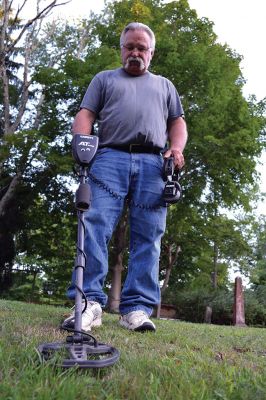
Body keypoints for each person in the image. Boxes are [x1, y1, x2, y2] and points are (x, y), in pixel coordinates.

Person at [64, 22, 187, 332]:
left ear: (151, 53)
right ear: (121, 50)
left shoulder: (164, 86)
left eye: (141, 48)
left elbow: (177, 122)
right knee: (94, 225)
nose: (135, 52)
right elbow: (86, 115)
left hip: (153, 163)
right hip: (108, 157)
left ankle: (136, 308)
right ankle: (88, 301)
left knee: (149, 235)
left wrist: (175, 149)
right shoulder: (103, 80)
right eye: (129, 47)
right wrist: (82, 146)